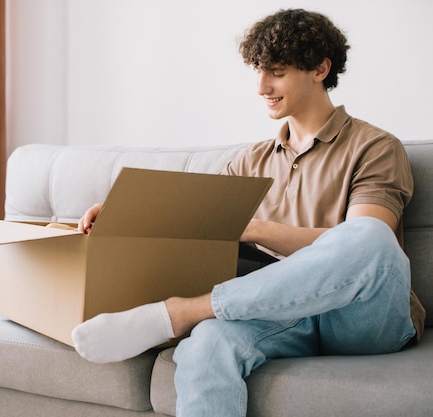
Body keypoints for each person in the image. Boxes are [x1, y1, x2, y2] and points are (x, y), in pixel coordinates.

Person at [71, 8, 425, 417]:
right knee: (205, 345)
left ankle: (182, 312)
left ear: (320, 69)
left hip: (359, 317)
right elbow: (197, 225)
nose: (261, 86)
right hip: (277, 311)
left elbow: (367, 246)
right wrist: (124, 215)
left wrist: (256, 228)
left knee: (370, 238)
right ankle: (195, 320)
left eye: (275, 71)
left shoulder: (375, 146)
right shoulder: (250, 161)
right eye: (258, 71)